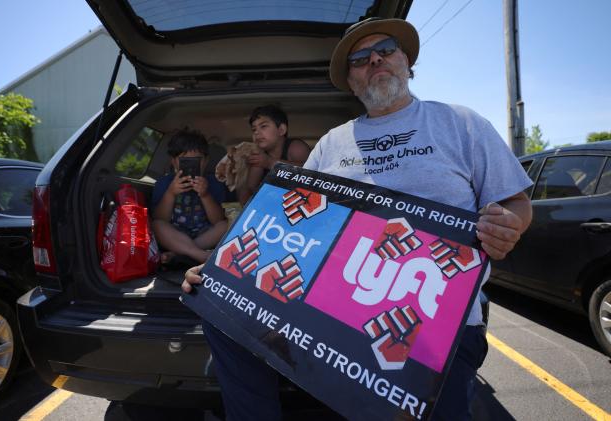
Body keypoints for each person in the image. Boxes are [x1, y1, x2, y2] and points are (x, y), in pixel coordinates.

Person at [183, 17, 533, 421]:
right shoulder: (331, 144)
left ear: (407, 62)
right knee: (218, 310)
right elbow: (286, 223)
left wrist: (508, 224)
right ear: (351, 81)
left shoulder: (462, 123)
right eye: (361, 59)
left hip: (439, 327)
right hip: (337, 316)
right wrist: (222, 272)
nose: (375, 60)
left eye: (386, 50)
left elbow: (516, 203)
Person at [152, 128, 228, 264]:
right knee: (157, 225)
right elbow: (160, 218)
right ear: (174, 162)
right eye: (185, 161)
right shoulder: (164, 183)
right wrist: (170, 193)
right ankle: (200, 255)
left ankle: (180, 253)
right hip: (174, 235)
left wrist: (205, 195)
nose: (191, 166)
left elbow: (218, 220)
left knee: (225, 225)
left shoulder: (214, 183)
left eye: (196, 161)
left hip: (204, 234)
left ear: (206, 161)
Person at [236, 105, 311, 204]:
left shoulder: (295, 148)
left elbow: (312, 177)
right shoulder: (259, 155)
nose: (257, 133)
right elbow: (249, 193)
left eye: (263, 126)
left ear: (281, 130)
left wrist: (270, 163)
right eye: (254, 129)